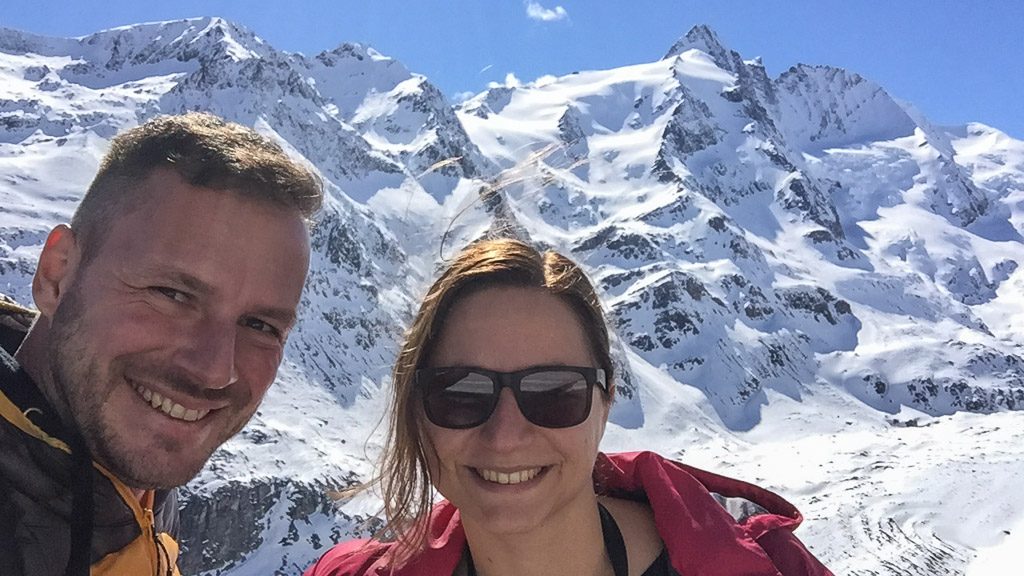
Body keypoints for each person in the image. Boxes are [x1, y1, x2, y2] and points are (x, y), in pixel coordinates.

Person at [305, 237, 833, 576]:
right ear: (415, 410)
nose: (505, 435)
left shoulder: (771, 567)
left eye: (554, 392)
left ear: (604, 403)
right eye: (461, 393)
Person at [0, 112, 323, 576]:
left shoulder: (131, 484)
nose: (215, 370)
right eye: (171, 295)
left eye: (259, 325)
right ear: (56, 276)